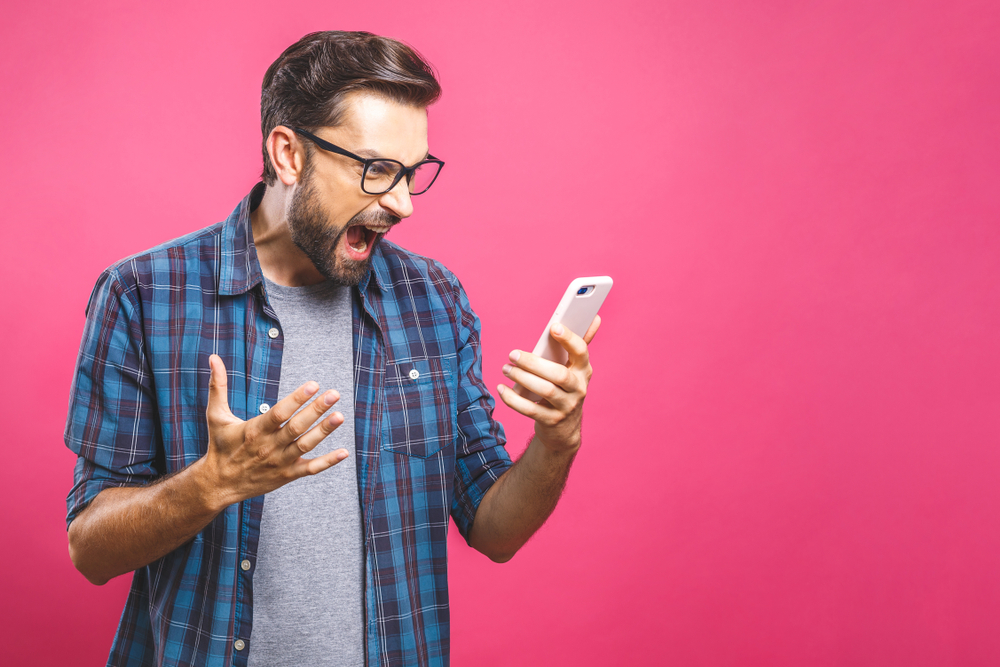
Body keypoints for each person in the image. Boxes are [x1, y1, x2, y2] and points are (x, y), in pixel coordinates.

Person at [65, 30, 600, 667]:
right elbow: (90, 549)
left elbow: (494, 528)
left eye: (413, 173)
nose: (401, 203)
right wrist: (211, 484)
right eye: (377, 171)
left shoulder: (433, 300)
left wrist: (557, 439)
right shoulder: (144, 295)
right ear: (289, 154)